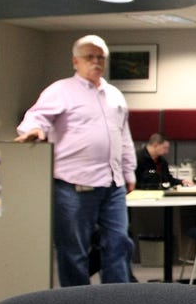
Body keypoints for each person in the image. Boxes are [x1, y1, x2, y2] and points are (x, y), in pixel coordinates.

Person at [16, 34, 136, 287]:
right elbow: (36, 117)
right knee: (74, 250)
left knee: (118, 244)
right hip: (73, 184)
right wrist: (35, 131)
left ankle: (119, 302)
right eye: (89, 57)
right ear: (75, 61)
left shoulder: (114, 95)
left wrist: (129, 172)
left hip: (112, 184)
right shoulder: (61, 91)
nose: (96, 62)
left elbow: (123, 136)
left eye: (100, 57)